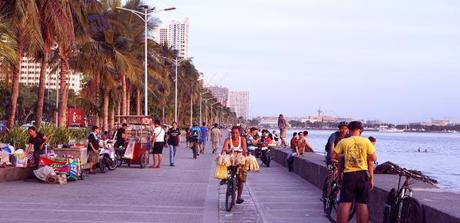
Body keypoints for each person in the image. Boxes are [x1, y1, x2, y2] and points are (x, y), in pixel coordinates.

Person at [332, 121, 377, 223]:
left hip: (349, 175)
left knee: (345, 203)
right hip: (362, 175)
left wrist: (345, 155)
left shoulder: (344, 142)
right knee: (362, 203)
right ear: (360, 130)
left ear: (349, 129)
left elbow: (333, 156)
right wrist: (371, 178)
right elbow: (373, 158)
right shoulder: (366, 142)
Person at [221, 126, 248, 204]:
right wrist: (225, 152)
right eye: (233, 133)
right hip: (231, 159)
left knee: (240, 179)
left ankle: (238, 197)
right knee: (224, 165)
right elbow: (224, 148)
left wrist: (244, 154)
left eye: (236, 133)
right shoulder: (228, 140)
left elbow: (245, 149)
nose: (234, 135)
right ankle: (224, 178)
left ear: (239, 133)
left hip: (240, 160)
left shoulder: (242, 139)